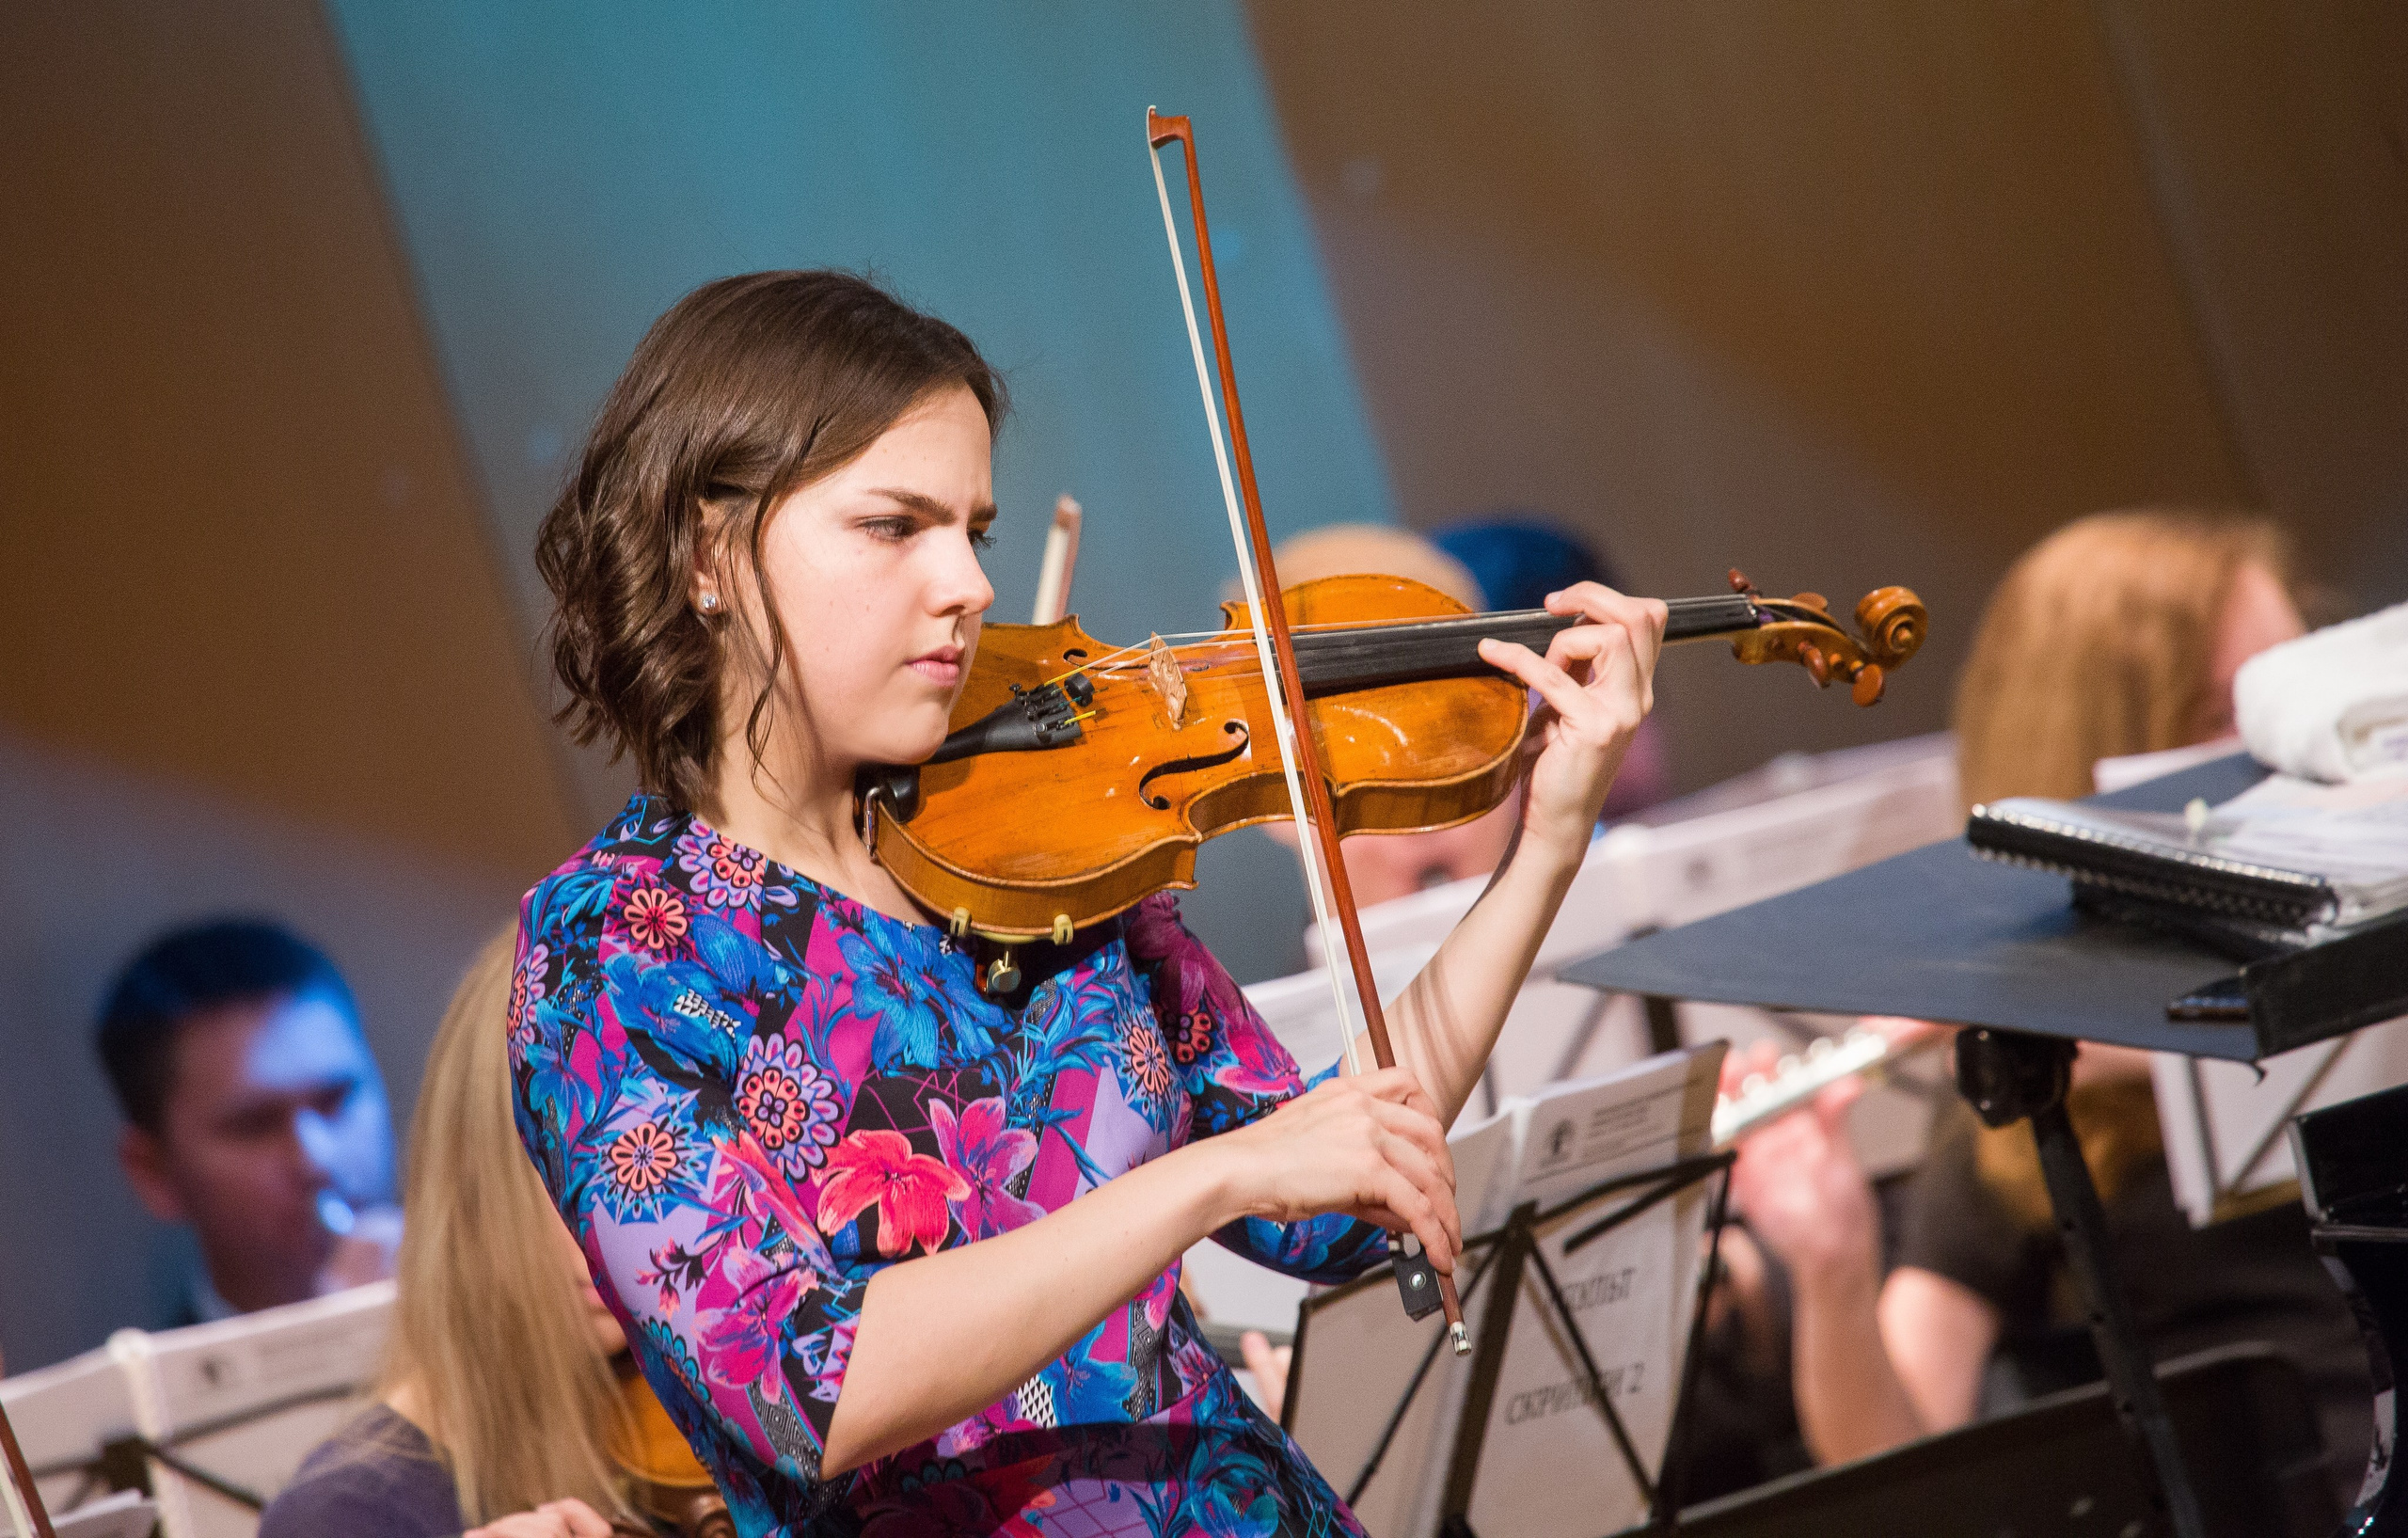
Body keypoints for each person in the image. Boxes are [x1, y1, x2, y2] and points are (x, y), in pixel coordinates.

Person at [512, 268, 1665, 1532]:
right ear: (705, 555)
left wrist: (1544, 844)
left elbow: (1339, 1194)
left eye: (975, 528)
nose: (968, 582)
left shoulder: (1039, 847)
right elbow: (803, 1386)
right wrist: (1202, 1182)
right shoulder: (611, 950)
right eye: (895, 525)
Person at [1729, 508, 2369, 1491]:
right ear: (2101, 758)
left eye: (2294, 694)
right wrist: (1832, 1267)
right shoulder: (2026, 1084)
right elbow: (1895, 1453)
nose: (2289, 749)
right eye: (2222, 715)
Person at [261, 927, 634, 1538]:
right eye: (570, 1165)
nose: (629, 1227)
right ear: (474, 1185)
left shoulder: (721, 1402)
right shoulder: (348, 1515)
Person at [95, 918, 399, 1325]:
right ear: (154, 1175)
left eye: (336, 1100)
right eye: (255, 1126)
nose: (316, 1160)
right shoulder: (143, 1391)